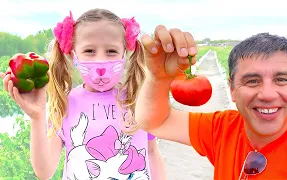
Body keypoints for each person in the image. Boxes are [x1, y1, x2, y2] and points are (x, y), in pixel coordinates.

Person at [135, 25, 287, 180]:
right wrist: (158, 77)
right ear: (232, 89)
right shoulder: (222, 129)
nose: (268, 95)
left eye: (281, 79)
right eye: (252, 81)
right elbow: (155, 122)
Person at [0, 9, 166, 180]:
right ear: (74, 56)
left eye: (111, 51)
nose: (100, 61)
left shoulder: (138, 100)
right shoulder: (66, 104)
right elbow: (44, 171)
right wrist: (37, 117)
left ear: (124, 53)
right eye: (89, 51)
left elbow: (152, 152)